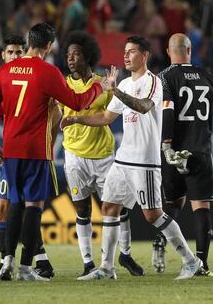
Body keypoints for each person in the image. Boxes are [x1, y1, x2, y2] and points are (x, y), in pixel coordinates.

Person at [0, 23, 117, 281]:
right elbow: (77, 102)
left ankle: (6, 264)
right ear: (48, 46)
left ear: (28, 41)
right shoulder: (48, 72)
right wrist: (101, 86)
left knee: (14, 202)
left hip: (10, 148)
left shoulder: (6, 70)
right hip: (36, 150)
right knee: (33, 205)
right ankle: (24, 268)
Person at [62, 36, 202, 280]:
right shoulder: (125, 84)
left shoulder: (153, 82)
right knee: (109, 208)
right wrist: (77, 118)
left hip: (145, 161)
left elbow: (144, 106)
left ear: (145, 55)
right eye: (125, 52)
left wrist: (114, 90)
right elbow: (106, 117)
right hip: (122, 159)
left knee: (152, 214)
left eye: (132, 52)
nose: (126, 56)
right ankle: (106, 268)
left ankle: (191, 261)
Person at [0, 35, 55, 280]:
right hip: (12, 152)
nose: (16, 56)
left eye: (19, 52)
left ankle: (36, 259)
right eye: (11, 52)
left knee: (23, 205)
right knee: (3, 207)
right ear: (3, 55)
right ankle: (8, 262)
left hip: (28, 151)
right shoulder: (5, 78)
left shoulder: (33, 76)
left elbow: (55, 112)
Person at [60, 30, 143, 279]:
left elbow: (113, 114)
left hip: (104, 155)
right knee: (82, 210)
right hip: (74, 156)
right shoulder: (62, 85)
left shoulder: (102, 83)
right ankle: (88, 263)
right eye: (68, 55)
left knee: (117, 207)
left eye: (76, 54)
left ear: (88, 57)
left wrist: (114, 89)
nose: (71, 59)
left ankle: (125, 253)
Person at [152, 33, 213, 277]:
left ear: (169, 52)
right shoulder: (207, 75)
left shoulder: (164, 77)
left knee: (173, 203)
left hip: (173, 151)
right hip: (199, 150)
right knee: (201, 207)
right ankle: (202, 264)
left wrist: (166, 145)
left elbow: (167, 111)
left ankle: (160, 238)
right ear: (189, 50)